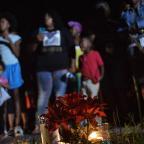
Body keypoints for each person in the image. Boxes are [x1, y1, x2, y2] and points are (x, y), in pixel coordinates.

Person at [32, 11, 75, 133]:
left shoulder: (63, 31)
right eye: (45, 17)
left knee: (60, 97)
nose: (47, 19)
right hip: (43, 69)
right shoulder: (39, 32)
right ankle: (40, 125)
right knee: (43, 97)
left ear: (54, 18)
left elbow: (72, 48)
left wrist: (72, 64)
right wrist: (36, 41)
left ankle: (61, 123)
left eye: (49, 17)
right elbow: (30, 50)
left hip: (61, 68)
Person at [0, 12, 24, 136]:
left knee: (16, 98)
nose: (1, 24)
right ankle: (4, 128)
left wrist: (9, 40)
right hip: (3, 70)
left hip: (14, 68)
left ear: (8, 24)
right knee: (3, 99)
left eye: (3, 22)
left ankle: (17, 126)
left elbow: (17, 54)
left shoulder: (16, 37)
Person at [79, 34, 104, 98]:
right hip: (84, 82)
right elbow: (81, 68)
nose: (81, 44)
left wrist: (101, 76)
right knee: (84, 100)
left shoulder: (95, 54)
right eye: (80, 43)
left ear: (89, 44)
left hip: (93, 82)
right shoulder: (81, 57)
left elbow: (101, 65)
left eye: (83, 42)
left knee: (93, 99)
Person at [68, 21, 83, 92]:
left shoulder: (83, 43)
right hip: (73, 72)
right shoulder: (70, 44)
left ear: (77, 30)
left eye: (72, 29)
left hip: (82, 72)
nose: (70, 30)